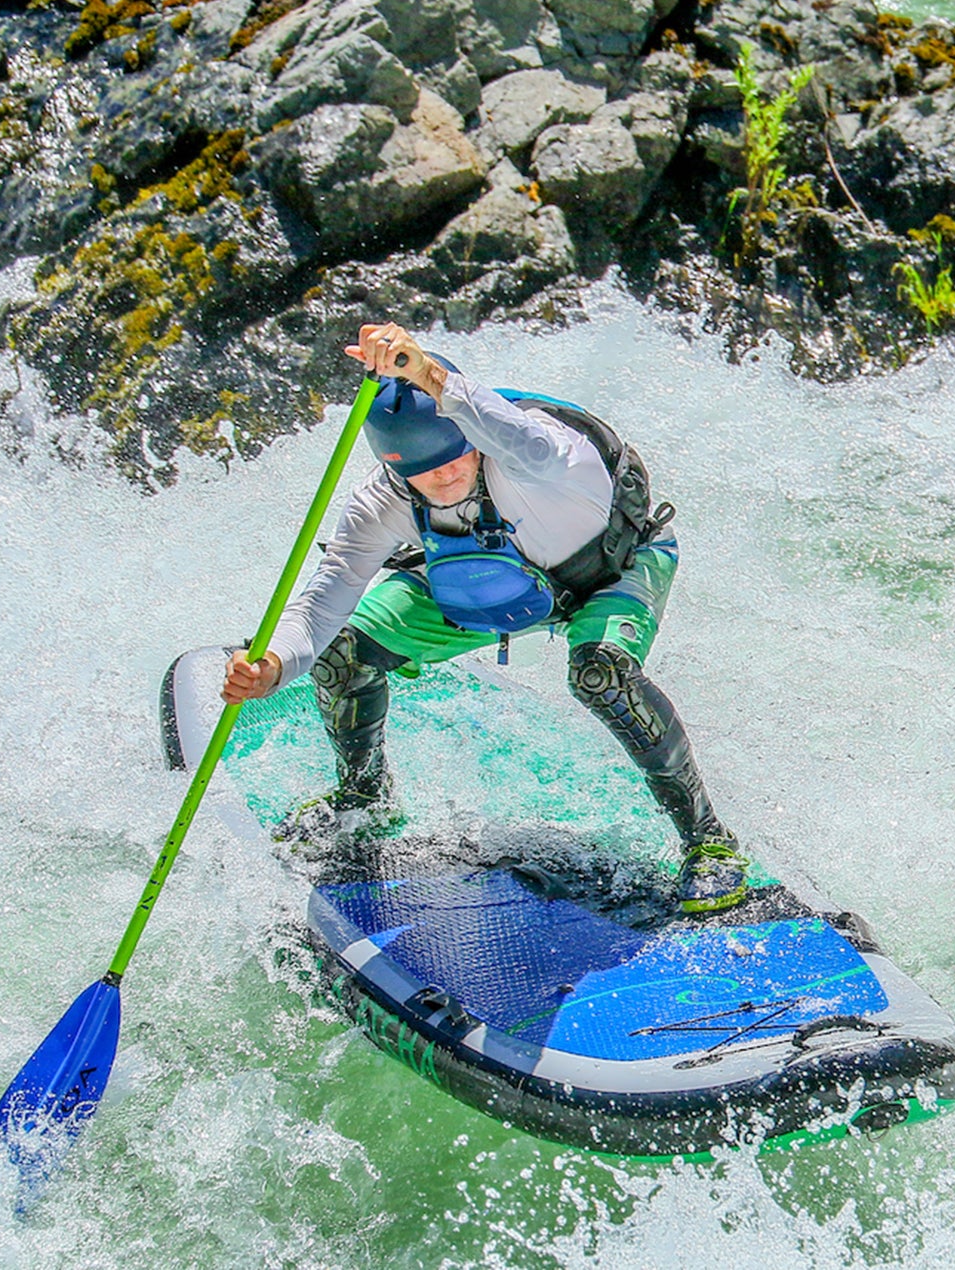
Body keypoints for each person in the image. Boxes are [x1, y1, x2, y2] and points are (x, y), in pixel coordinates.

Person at [220, 324, 750, 914]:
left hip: (609, 570)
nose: (443, 476)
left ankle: (710, 844)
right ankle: (363, 798)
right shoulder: (384, 499)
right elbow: (326, 598)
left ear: (470, 434)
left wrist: (429, 376)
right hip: (487, 585)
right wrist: (274, 664)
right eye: (421, 469)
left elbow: (517, 435)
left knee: (601, 675)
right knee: (342, 653)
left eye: (453, 455)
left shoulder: (541, 455)